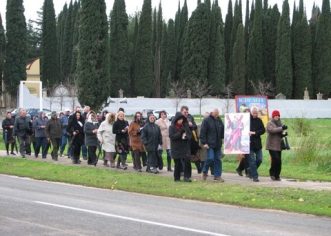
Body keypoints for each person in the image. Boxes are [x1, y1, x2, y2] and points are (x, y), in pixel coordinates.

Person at [200, 108, 225, 182]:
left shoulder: (219, 121)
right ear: (212, 113)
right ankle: (204, 172)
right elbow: (202, 132)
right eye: (216, 114)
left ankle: (217, 176)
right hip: (209, 144)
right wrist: (204, 143)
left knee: (218, 160)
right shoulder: (206, 120)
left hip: (218, 144)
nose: (217, 115)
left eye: (218, 114)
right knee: (210, 158)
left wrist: (225, 139)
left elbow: (223, 131)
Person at [169, 112, 192, 182]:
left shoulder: (185, 126)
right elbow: (172, 137)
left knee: (187, 162)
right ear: (176, 120)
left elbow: (189, 135)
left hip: (185, 147)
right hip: (176, 148)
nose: (181, 121)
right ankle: (177, 178)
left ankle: (187, 177)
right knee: (178, 164)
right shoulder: (172, 127)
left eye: (182, 119)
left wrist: (186, 137)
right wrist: (180, 133)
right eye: (179, 120)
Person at [266, 110, 288, 181]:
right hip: (271, 146)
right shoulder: (270, 123)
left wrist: (283, 134)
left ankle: (277, 175)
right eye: (275, 115)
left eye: (278, 115)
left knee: (279, 161)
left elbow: (279, 133)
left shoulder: (280, 123)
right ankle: (272, 173)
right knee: (276, 159)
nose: (277, 117)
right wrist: (281, 128)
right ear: (273, 116)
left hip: (278, 146)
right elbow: (272, 130)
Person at [180, 106, 201, 174]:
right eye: (184, 112)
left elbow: (195, 126)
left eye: (187, 112)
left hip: (191, 139)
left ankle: (199, 168)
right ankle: (183, 171)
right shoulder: (178, 118)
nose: (186, 113)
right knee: (183, 156)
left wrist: (191, 125)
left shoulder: (190, 117)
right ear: (181, 111)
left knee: (193, 154)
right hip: (182, 140)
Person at [248, 107, 266, 182]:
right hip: (249, 143)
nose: (255, 114)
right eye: (254, 113)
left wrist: (255, 133)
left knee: (259, 159)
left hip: (258, 143)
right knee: (252, 161)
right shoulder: (247, 120)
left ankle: (250, 170)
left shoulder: (259, 120)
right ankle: (255, 177)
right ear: (251, 112)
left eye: (256, 113)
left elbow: (263, 130)